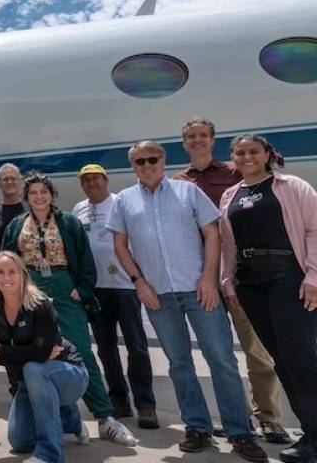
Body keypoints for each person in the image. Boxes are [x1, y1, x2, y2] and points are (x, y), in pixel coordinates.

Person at [107, 141, 268, 462]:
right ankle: (197, 427)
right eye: (140, 161)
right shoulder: (124, 201)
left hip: (199, 290)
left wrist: (209, 278)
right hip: (158, 295)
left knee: (221, 360)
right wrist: (139, 283)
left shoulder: (188, 192)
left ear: (164, 160)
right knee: (179, 363)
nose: (147, 165)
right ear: (133, 165)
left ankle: (240, 432)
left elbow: (213, 234)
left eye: (152, 159)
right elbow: (120, 245)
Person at [174, 117, 290, 443]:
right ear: (184, 143)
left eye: (202, 135)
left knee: (256, 352)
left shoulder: (236, 173)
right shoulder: (177, 182)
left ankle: (269, 419)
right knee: (219, 356)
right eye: (191, 137)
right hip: (202, 281)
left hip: (240, 277)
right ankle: (235, 418)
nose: (197, 141)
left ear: (212, 139)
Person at [0, 171, 137, 447]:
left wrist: (83, 290)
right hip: (29, 290)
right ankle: (61, 418)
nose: (39, 197)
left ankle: (105, 418)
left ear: (52, 195)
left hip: (64, 287)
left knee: (81, 352)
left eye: (44, 192)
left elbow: (86, 261)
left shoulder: (69, 222)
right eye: (33, 193)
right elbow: (6, 260)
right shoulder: (16, 225)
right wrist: (9, 295)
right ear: (26, 197)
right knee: (33, 353)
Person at [219, 134, 317, 463]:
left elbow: (315, 229)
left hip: (287, 277)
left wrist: (314, 277)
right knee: (281, 360)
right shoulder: (230, 195)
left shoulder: (291, 186)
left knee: (300, 358)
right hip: (250, 283)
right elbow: (228, 244)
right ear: (233, 158)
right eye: (240, 153)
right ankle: (310, 433)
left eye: (253, 151)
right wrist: (228, 283)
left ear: (266, 155)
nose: (247, 157)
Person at [72, 164, 158, 429]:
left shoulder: (121, 204)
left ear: (106, 180)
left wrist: (141, 279)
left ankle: (145, 405)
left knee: (137, 347)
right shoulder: (78, 210)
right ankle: (119, 399)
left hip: (125, 287)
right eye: (86, 180)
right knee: (106, 349)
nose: (91, 183)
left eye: (95, 178)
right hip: (96, 289)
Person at [0, 251, 89, 463]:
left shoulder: (41, 305)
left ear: (22, 274)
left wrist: (7, 352)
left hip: (70, 373)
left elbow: (6, 353)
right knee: (20, 441)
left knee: (34, 368)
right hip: (27, 381)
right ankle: (69, 417)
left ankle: (49, 454)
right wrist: (32, 352)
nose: (6, 278)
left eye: (12, 272)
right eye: (0, 272)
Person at [0, 163, 27, 288]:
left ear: (20, 182)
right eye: (5, 179)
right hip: (6, 274)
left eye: (13, 178)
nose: (9, 182)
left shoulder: (31, 210)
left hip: (29, 271)